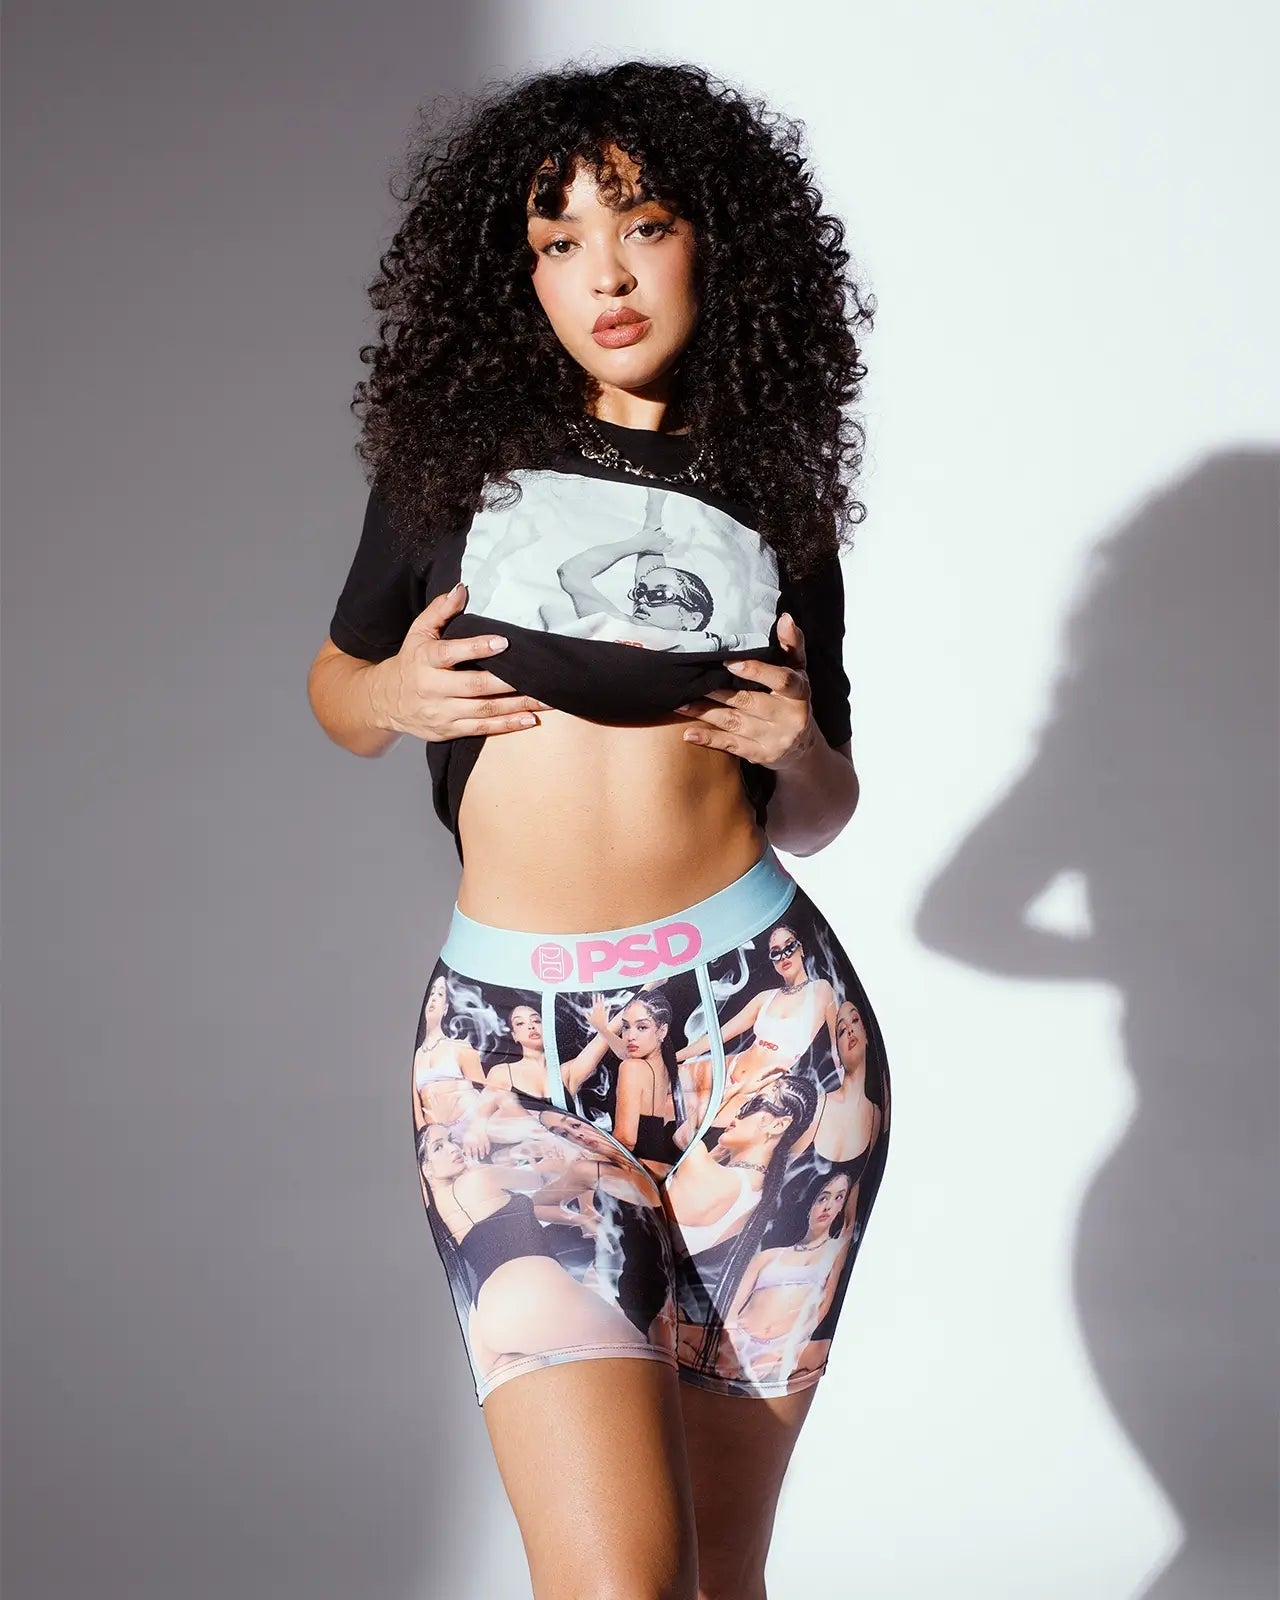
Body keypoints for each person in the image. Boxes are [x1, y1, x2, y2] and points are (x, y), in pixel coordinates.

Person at [308, 59, 890, 1600]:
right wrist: (393, 690)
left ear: (715, 241)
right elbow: (337, 691)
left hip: (770, 1041)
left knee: (717, 1572)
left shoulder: (772, 493)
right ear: (520, 276)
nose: (605, 275)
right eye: (558, 241)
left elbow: (823, 810)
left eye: (640, 226)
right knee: (615, 1580)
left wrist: (799, 746)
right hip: (508, 1065)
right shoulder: (455, 464)